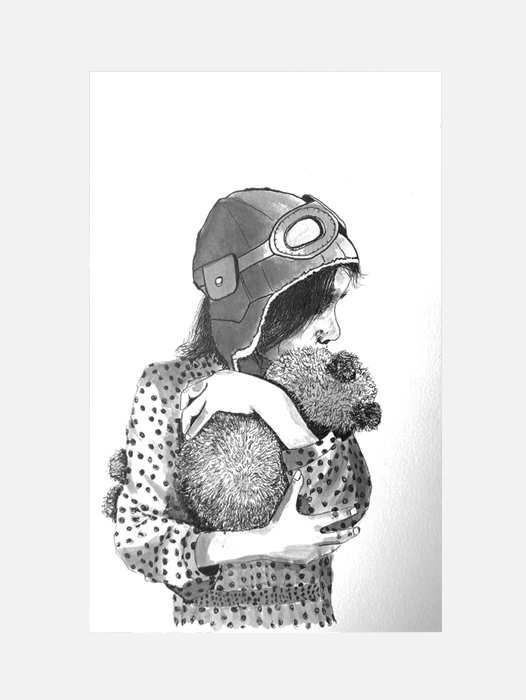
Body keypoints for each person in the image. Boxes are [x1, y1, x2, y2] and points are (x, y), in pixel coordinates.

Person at [113, 188, 373, 630]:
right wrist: (260, 542)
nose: (333, 330)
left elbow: (345, 509)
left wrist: (274, 405)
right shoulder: (166, 388)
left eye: (336, 305)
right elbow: (137, 535)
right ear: (260, 306)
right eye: (317, 306)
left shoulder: (319, 388)